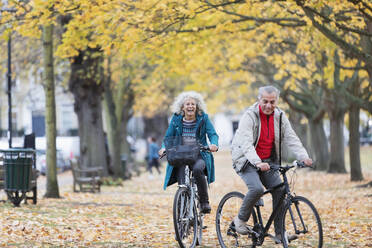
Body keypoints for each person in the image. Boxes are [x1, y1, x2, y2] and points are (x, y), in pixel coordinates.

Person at [230, 85, 313, 242]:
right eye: (265, 101)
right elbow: (246, 143)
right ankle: (239, 221)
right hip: (246, 159)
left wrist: (303, 156)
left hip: (268, 161)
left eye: (272, 102)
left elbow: (291, 137)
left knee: (280, 191)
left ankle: (280, 234)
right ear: (259, 100)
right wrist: (257, 162)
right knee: (256, 189)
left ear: (277, 101)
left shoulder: (280, 116)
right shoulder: (250, 116)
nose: (268, 105)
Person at [159, 91, 219, 214]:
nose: (190, 106)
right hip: (181, 155)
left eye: (193, 104)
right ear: (182, 107)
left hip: (199, 154)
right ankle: (183, 215)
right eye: (187, 104)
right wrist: (164, 147)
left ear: (197, 107)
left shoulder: (204, 118)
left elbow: (212, 134)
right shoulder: (176, 119)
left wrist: (214, 144)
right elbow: (168, 136)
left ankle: (204, 202)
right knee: (182, 186)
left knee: (197, 170)